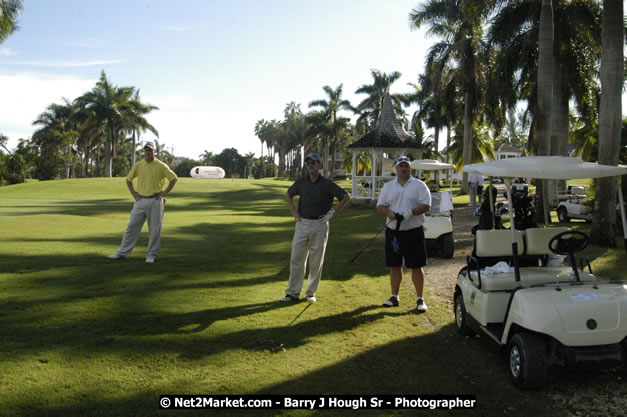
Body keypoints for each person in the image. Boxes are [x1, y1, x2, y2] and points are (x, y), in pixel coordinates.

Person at [280, 153, 351, 303]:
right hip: (302, 223)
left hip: (320, 224)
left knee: (316, 260)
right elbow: (288, 194)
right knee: (296, 258)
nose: (310, 165)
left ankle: (310, 293)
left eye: (313, 163)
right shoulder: (301, 182)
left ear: (320, 165)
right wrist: (294, 212)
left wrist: (332, 213)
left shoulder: (327, 183)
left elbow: (346, 196)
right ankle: (292, 293)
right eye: (308, 163)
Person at [376, 156, 431, 312]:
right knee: (394, 265)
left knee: (416, 265)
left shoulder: (419, 185)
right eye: (401, 166)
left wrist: (410, 212)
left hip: (413, 232)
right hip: (393, 231)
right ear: (396, 169)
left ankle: (420, 299)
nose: (403, 169)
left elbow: (426, 205)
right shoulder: (388, 186)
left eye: (406, 166)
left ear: (410, 168)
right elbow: (380, 206)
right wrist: (391, 214)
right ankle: (394, 297)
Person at [107, 141, 178, 263]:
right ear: (144, 151)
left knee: (155, 230)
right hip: (140, 200)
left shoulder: (161, 165)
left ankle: (151, 255)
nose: (148, 152)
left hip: (155, 200)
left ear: (154, 151)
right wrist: (134, 193)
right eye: (146, 150)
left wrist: (164, 193)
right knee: (131, 227)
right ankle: (122, 252)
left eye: (150, 150)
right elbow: (128, 180)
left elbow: (174, 179)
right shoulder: (139, 165)